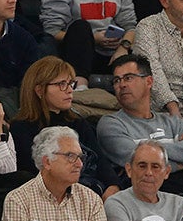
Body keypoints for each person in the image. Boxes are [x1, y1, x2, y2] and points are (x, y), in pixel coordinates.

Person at [8, 56, 117, 193]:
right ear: (39, 90)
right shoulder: (21, 128)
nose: (69, 90)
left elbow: (102, 165)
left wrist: (112, 189)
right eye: (61, 84)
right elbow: (35, 176)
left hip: (91, 192)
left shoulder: (78, 123)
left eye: (71, 83)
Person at [96, 55, 183, 188]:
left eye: (128, 78)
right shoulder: (111, 124)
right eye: (116, 80)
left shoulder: (172, 122)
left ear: (149, 81)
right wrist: (182, 161)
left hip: (182, 195)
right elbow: (136, 162)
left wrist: (146, 152)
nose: (122, 85)